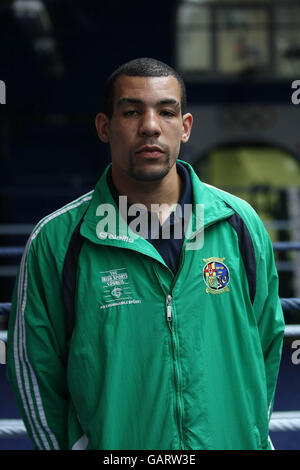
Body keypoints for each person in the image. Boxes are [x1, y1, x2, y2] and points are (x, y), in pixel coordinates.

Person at [7, 58, 285, 450]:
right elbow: (36, 373)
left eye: (166, 111)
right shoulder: (57, 240)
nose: (150, 126)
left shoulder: (239, 223)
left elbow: (267, 348)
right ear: (105, 127)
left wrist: (249, 437)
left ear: (185, 127)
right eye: (132, 111)